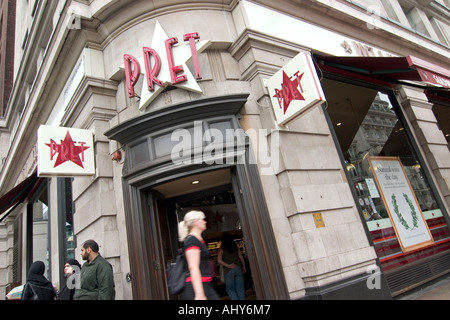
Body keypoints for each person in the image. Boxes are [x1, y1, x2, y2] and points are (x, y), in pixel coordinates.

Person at [178, 210, 219, 300]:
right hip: (195, 288)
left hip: (205, 284)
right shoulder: (191, 240)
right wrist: (199, 294)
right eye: (202, 219)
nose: (205, 221)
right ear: (195, 222)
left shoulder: (197, 240)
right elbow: (193, 267)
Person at [217, 232, 246, 300]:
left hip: (228, 271)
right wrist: (243, 266)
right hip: (238, 268)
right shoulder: (235, 247)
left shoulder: (221, 249)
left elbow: (219, 260)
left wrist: (228, 265)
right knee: (240, 289)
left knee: (231, 290)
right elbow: (241, 257)